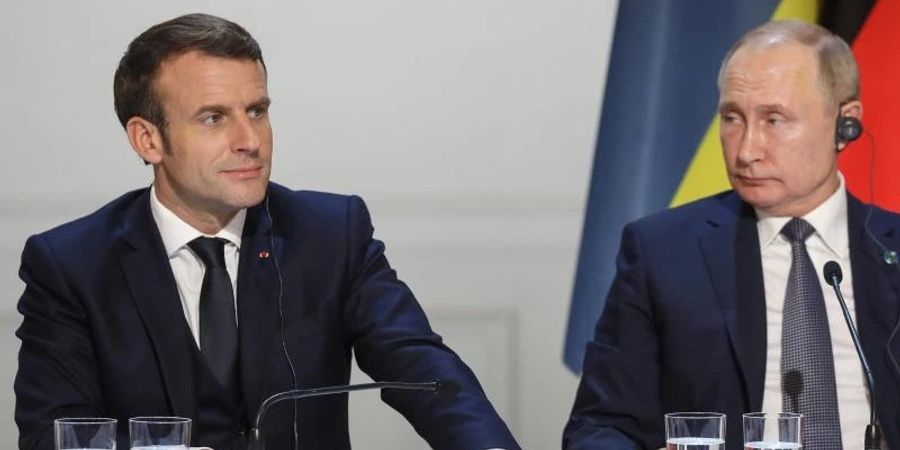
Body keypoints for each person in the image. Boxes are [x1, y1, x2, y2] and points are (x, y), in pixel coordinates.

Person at [14, 13, 519, 450]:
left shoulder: (330, 234)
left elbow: (421, 369)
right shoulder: (72, 264)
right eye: (214, 118)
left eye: (257, 111)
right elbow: (54, 432)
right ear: (148, 139)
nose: (249, 140)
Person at [563, 20, 900, 450]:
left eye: (774, 120)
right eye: (732, 118)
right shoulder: (663, 253)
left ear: (845, 124)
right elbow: (601, 426)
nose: (746, 150)